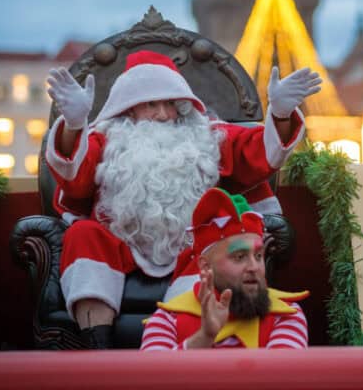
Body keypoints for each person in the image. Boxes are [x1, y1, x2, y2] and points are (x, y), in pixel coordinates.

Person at [45, 50, 321, 348]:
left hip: (190, 244)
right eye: (151, 104)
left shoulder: (206, 137)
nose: (164, 114)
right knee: (83, 235)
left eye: (171, 104)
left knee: (210, 251)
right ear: (129, 107)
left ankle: (185, 347)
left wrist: (280, 114)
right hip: (120, 240)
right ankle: (98, 347)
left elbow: (257, 153)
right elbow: (75, 179)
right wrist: (74, 125)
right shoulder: (107, 140)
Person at [140, 187, 308, 350]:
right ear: (205, 266)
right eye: (239, 257)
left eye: (258, 256)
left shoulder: (287, 314)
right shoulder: (167, 319)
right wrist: (204, 337)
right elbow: (153, 369)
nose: (254, 267)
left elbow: (283, 369)